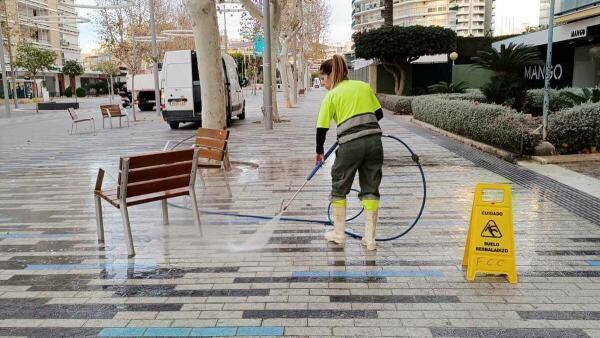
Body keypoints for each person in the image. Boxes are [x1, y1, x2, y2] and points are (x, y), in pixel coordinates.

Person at [315, 55, 384, 251]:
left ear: (331, 75)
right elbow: (379, 114)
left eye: (322, 78)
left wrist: (319, 152)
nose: (322, 83)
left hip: (350, 146)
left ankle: (339, 234)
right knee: (371, 186)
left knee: (339, 185)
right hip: (374, 143)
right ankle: (370, 240)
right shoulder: (363, 86)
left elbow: (322, 128)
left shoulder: (332, 96)